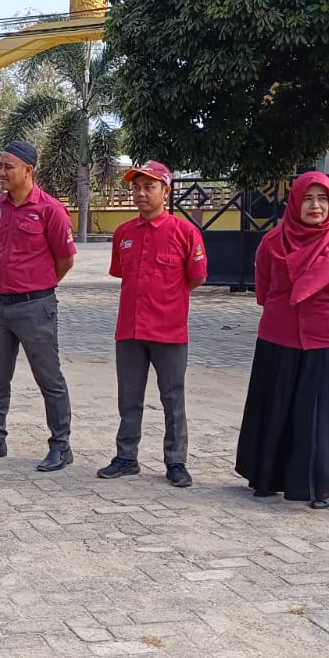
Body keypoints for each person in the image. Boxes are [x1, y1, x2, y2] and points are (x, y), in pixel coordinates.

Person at [234, 172, 329, 508]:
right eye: (308, 198)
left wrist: (324, 315)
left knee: (321, 417)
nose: (315, 206)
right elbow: (263, 290)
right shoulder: (273, 242)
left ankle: (326, 484)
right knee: (275, 411)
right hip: (278, 338)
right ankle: (268, 478)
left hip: (328, 341)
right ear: (294, 202)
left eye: (322, 199)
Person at [97, 162, 208, 488]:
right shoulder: (124, 234)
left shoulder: (185, 233)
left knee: (172, 399)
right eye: (136, 187)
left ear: (166, 191)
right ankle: (126, 457)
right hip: (129, 330)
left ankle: (176, 461)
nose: (141, 193)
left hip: (169, 331)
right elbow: (121, 274)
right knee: (128, 397)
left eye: (149, 187)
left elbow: (197, 277)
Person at [0, 141, 78, 472]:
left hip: (35, 306)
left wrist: (38, 286)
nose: (1, 173)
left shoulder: (50, 210)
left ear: (28, 170)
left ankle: (61, 445)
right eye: (0, 166)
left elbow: (65, 260)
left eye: (8, 167)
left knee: (49, 378)